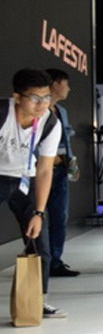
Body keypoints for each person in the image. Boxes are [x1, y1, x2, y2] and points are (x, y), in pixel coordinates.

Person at [0, 69, 66, 318]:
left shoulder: (50, 123)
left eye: (46, 97)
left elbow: (45, 169)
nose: (42, 104)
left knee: (41, 245)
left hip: (23, 181)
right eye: (35, 98)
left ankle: (37, 302)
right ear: (17, 97)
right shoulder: (2, 114)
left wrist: (39, 212)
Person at [44, 69, 80, 277]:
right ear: (56, 84)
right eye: (66, 84)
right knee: (37, 215)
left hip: (61, 170)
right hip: (40, 170)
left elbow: (66, 138)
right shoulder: (38, 109)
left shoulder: (62, 111)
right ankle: (40, 260)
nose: (69, 89)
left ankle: (55, 261)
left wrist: (71, 162)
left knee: (60, 216)